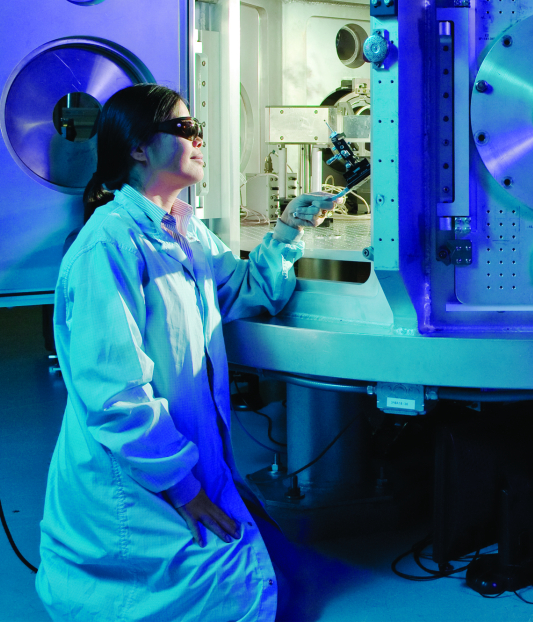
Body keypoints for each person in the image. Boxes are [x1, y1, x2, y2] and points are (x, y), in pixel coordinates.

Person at [36, 83, 334, 622]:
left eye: (198, 128)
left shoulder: (185, 229)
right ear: (138, 148)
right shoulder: (108, 244)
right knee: (234, 598)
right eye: (184, 128)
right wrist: (181, 486)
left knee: (277, 574)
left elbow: (247, 292)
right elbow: (115, 394)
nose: (199, 138)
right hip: (135, 478)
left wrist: (288, 226)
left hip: (189, 459)